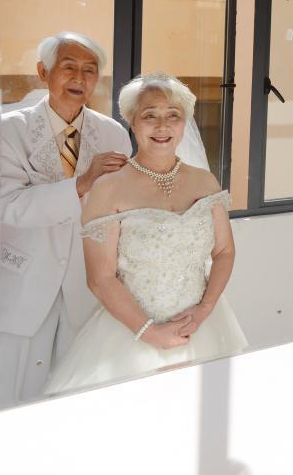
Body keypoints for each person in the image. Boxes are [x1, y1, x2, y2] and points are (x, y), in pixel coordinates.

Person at [43, 72, 247, 395]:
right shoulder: (108, 189)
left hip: (204, 328)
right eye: (149, 116)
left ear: (184, 124)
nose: (162, 126)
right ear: (132, 123)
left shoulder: (205, 182)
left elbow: (224, 252)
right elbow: (100, 277)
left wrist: (205, 309)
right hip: (132, 334)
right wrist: (153, 334)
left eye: (172, 116)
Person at [0, 31, 131, 410]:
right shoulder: (7, 129)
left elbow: (122, 213)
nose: (80, 79)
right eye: (69, 67)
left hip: (86, 289)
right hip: (22, 284)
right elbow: (6, 206)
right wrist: (82, 184)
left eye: (90, 70)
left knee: (75, 396)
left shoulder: (114, 134)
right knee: (11, 393)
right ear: (43, 72)